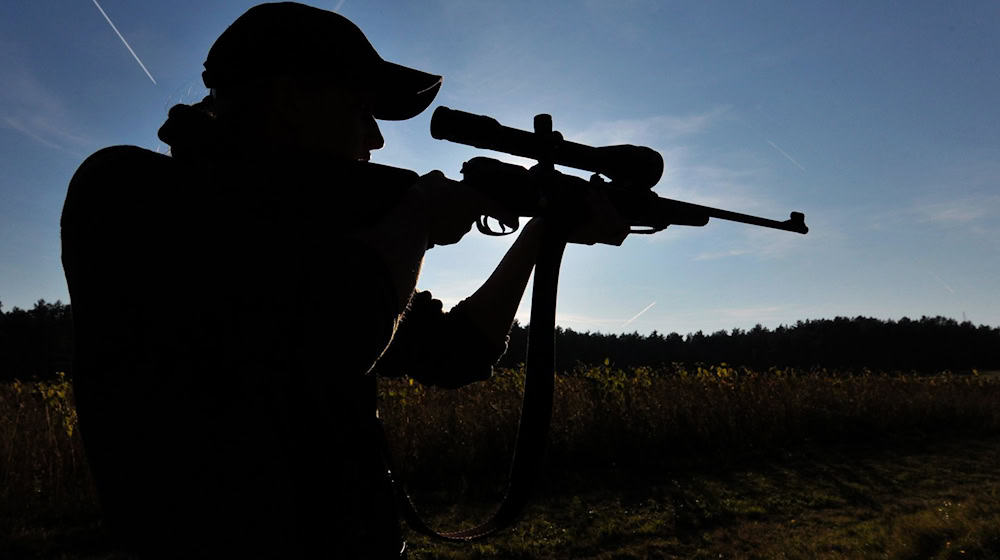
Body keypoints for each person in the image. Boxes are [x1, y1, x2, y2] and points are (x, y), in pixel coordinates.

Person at [61, 3, 627, 558]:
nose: (376, 140)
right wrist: (415, 220)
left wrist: (541, 233)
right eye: (362, 110)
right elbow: (325, 339)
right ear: (288, 99)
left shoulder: (316, 238)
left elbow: (458, 351)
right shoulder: (126, 191)